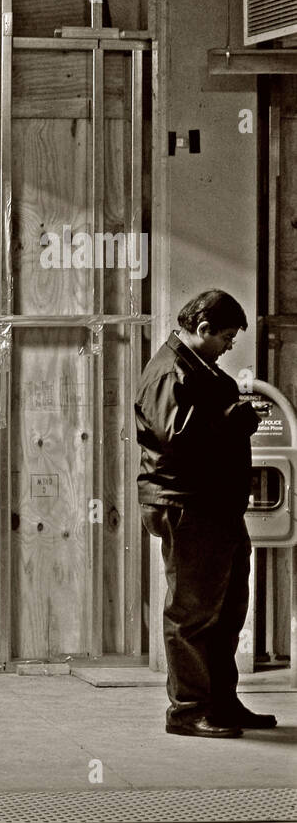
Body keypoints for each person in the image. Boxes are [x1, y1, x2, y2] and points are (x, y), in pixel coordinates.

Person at [135, 289, 277, 737]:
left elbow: (206, 419)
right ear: (203, 329)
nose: (229, 347)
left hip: (214, 510)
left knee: (228, 609)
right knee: (192, 614)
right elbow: (178, 436)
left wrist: (234, 412)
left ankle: (220, 702)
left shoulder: (198, 368)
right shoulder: (167, 372)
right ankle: (188, 710)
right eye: (228, 338)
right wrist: (236, 418)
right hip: (187, 506)